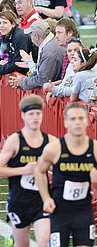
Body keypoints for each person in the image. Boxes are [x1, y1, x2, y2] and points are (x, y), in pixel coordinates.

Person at [0, 94, 55, 247]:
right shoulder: (15, 140)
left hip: (42, 200)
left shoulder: (51, 141)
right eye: (31, 114)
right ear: (23, 116)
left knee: (45, 242)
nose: (35, 118)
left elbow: (60, 167)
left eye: (38, 114)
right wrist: (24, 170)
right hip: (19, 201)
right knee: (23, 244)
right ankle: (14, 237)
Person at [35, 102, 97, 247]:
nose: (77, 123)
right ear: (66, 122)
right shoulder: (55, 148)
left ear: (87, 121)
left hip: (83, 210)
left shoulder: (94, 148)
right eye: (73, 119)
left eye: (81, 118)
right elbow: (39, 170)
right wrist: (45, 198)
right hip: (60, 211)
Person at [9, 20, 65, 90]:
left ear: (36, 37)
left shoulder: (49, 52)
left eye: (31, 35)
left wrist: (23, 82)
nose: (30, 38)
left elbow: (43, 79)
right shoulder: (50, 45)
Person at [0, 11, 33, 78]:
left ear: (13, 24)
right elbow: (8, 55)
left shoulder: (19, 36)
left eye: (5, 23)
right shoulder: (6, 35)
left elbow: (18, 63)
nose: (1, 26)